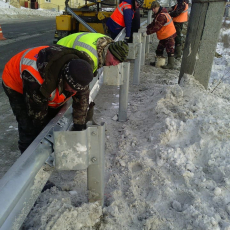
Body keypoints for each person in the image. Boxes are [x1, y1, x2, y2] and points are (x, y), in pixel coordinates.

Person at [2, 45, 94, 154]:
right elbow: (37, 115)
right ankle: (28, 159)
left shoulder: (80, 73)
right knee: (28, 124)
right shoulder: (36, 79)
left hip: (46, 80)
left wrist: (79, 126)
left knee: (53, 113)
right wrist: (44, 134)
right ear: (63, 78)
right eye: (72, 89)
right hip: (14, 80)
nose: (74, 92)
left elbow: (81, 101)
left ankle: (47, 152)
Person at [57, 32, 129, 75]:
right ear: (108, 51)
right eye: (115, 58)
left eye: (118, 62)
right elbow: (80, 84)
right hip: (59, 52)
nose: (114, 64)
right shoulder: (91, 57)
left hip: (67, 45)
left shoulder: (107, 41)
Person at [142, 1, 176, 69]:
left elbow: (156, 27)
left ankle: (171, 65)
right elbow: (154, 23)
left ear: (157, 7)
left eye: (154, 8)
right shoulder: (159, 14)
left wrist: (147, 33)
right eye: (152, 9)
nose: (153, 10)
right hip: (165, 35)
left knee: (170, 49)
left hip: (169, 34)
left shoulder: (162, 16)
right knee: (159, 49)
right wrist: (147, 28)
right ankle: (158, 62)